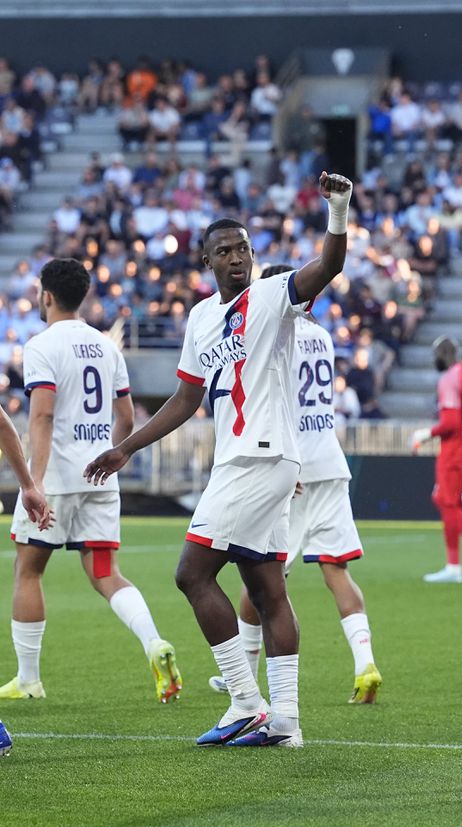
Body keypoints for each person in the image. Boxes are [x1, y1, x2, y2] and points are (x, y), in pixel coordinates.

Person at [84, 171, 353, 748]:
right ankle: (285, 721)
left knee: (191, 573)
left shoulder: (273, 298)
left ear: (255, 255)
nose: (237, 258)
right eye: (225, 252)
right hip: (252, 459)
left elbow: (327, 266)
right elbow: (186, 398)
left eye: (245, 249)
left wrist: (338, 209)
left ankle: (244, 701)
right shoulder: (203, 319)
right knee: (265, 590)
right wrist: (127, 446)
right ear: (207, 260)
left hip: (258, 458)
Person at [0, 258, 182, 704]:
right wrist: (109, 456)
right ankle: (154, 643)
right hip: (99, 475)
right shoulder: (106, 347)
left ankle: (28, 679)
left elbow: (41, 414)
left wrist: (34, 483)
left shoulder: (42, 344)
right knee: (105, 571)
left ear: (46, 296)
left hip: (56, 478)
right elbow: (125, 417)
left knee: (28, 569)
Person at [209, 265, 382, 705]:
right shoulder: (321, 335)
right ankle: (365, 663)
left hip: (294, 464)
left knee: (260, 573)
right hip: (330, 458)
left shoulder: (272, 333)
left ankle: (241, 676)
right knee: (336, 569)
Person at [411, 336, 462, 584]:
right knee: (442, 498)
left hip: (455, 449)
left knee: (447, 501)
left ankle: (455, 565)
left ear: (441, 355)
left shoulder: (449, 378)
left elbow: (449, 422)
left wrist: (424, 434)